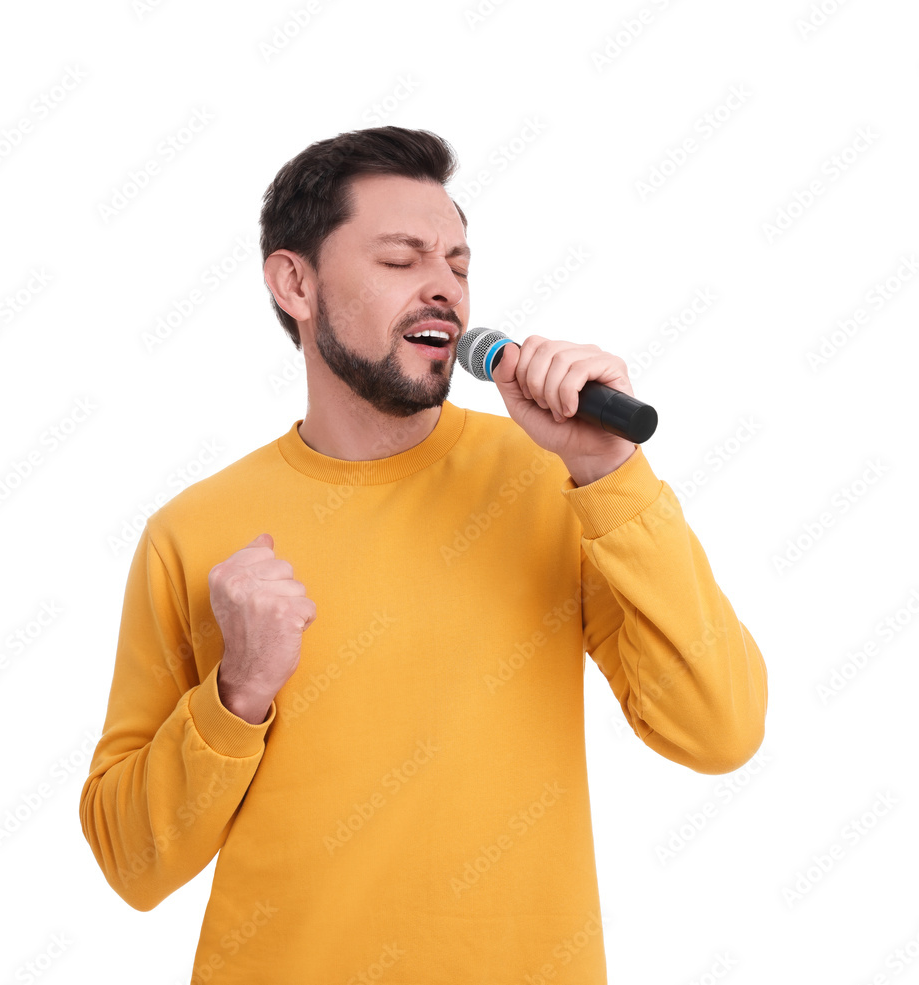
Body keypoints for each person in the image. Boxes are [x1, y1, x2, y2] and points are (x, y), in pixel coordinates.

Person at [79, 125, 767, 984]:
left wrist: (610, 472)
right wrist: (236, 694)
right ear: (295, 282)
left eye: (458, 264)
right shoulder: (193, 530)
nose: (443, 287)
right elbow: (131, 865)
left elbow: (720, 730)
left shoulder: (559, 481)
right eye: (402, 260)